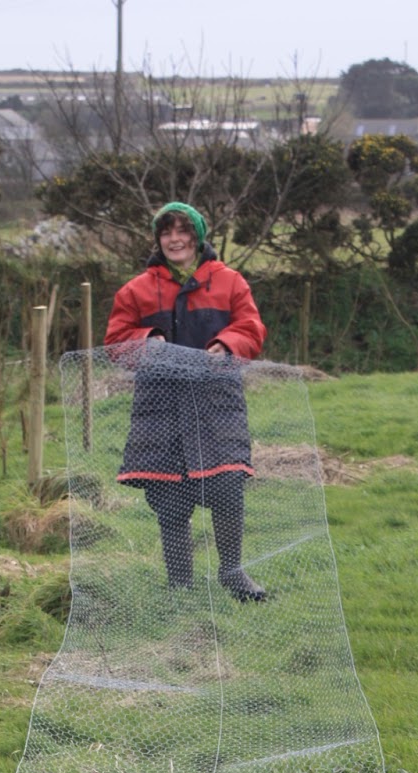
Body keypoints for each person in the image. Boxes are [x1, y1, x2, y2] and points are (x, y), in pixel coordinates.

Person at [104, 202, 267, 601]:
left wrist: (224, 345)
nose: (175, 239)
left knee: (227, 486)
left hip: (217, 403)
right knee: (169, 499)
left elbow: (251, 328)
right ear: (159, 240)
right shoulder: (136, 289)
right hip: (159, 408)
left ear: (197, 238)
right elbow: (115, 342)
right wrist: (147, 341)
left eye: (183, 232)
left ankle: (233, 574)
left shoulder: (229, 282)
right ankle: (181, 586)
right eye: (167, 233)